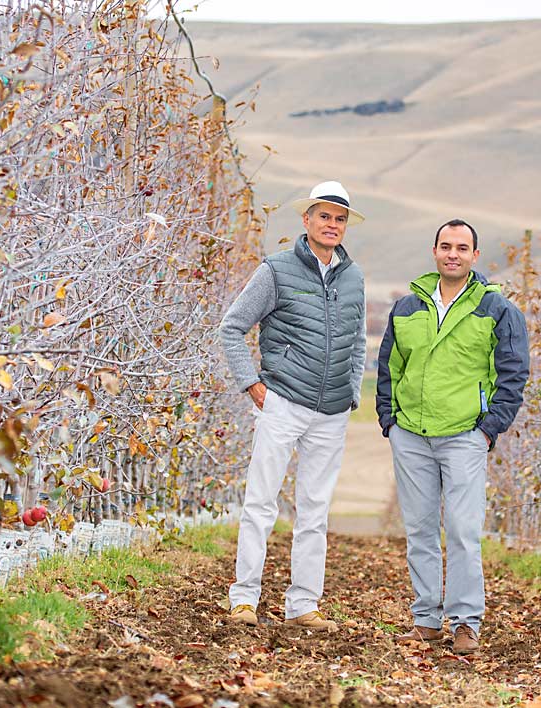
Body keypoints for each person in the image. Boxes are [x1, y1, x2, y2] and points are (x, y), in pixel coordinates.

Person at [219, 180, 367, 632]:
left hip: (333, 411)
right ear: (306, 220)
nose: (332, 225)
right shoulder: (276, 271)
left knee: (315, 511)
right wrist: (252, 385)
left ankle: (303, 604)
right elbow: (232, 328)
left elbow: (358, 341)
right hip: (282, 401)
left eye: (339, 218)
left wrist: (353, 390)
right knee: (260, 503)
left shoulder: (354, 277)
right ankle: (244, 599)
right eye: (324, 216)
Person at [375, 219, 528, 654]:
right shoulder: (406, 307)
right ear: (435, 251)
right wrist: (390, 418)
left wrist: (488, 429)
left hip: (465, 436)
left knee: (462, 530)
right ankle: (426, 619)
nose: (453, 254)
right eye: (446, 246)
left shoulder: (496, 308)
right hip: (411, 435)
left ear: (475, 256)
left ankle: (465, 621)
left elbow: (513, 374)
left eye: (462, 247)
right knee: (421, 529)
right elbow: (389, 367)